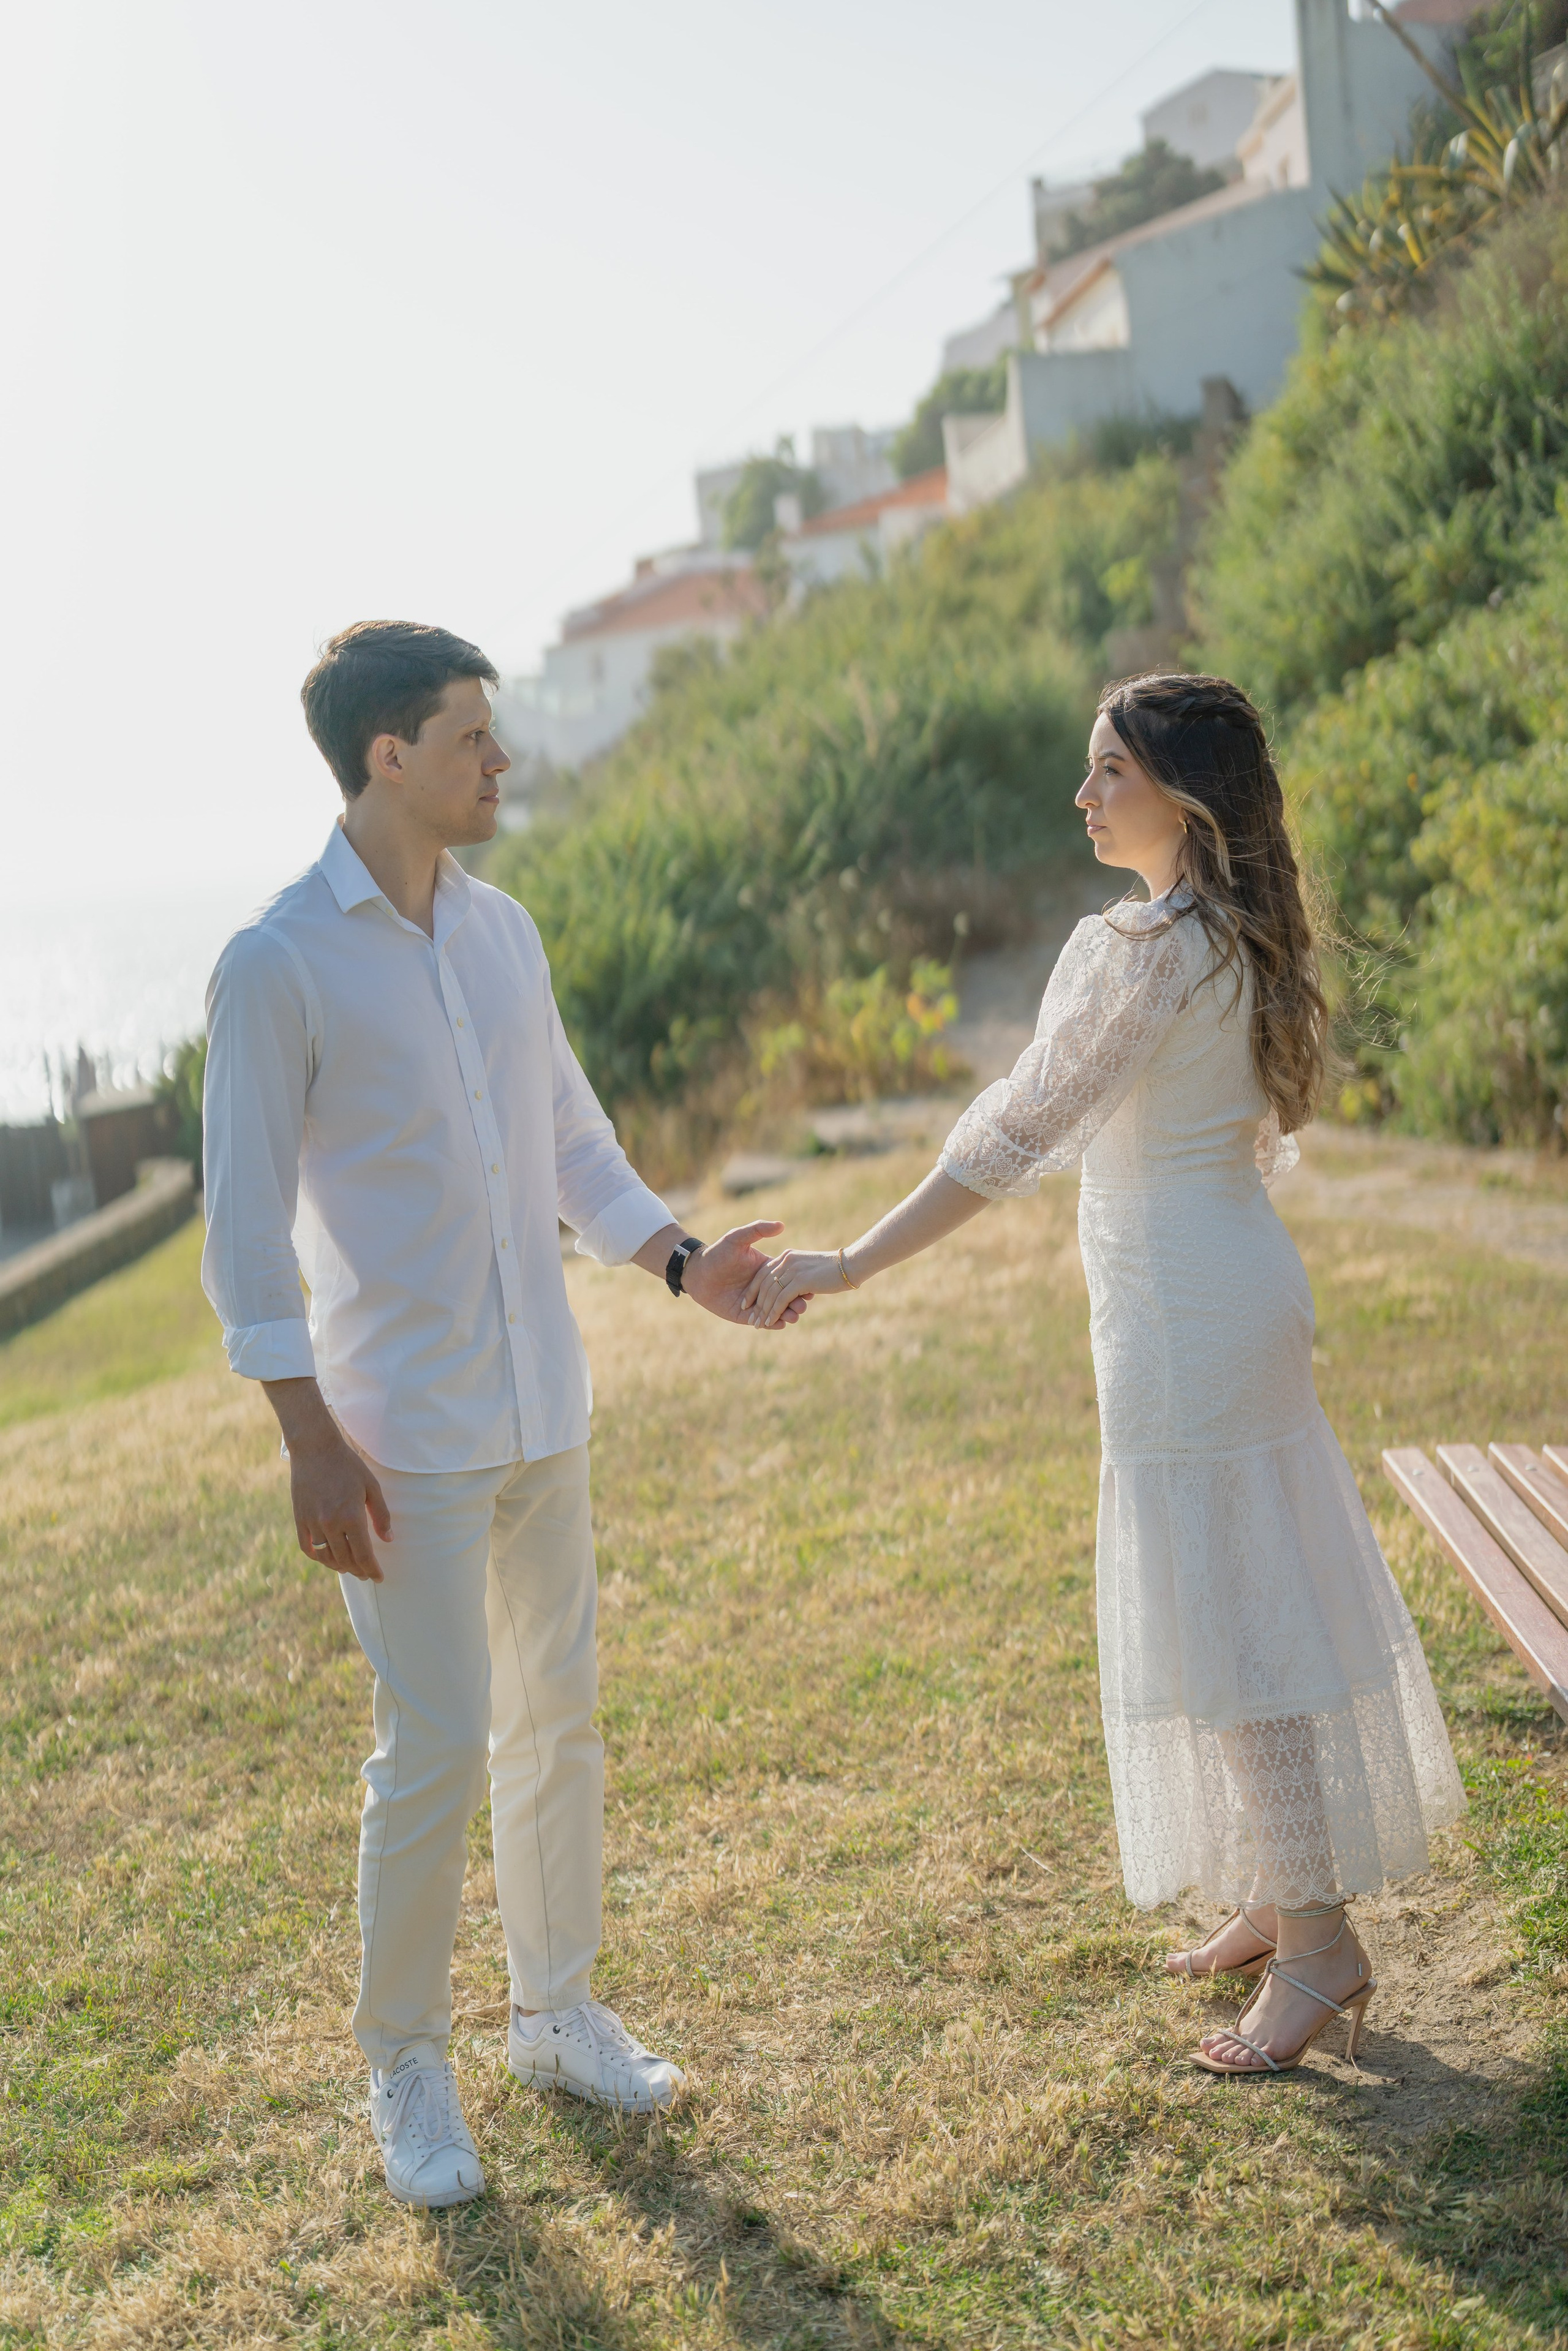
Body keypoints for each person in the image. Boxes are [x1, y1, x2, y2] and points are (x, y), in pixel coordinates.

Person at [742, 671, 1464, 2077]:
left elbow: (1016, 1130)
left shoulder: (1141, 947)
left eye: (1108, 771)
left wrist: (849, 1258)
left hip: (1190, 1319)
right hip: (1221, 1290)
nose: (1080, 796)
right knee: (1237, 1600)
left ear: (1181, 796)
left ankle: (1319, 1945)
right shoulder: (1232, 929)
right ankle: (1281, 1893)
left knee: (1232, 1621)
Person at [201, 619, 805, 2207]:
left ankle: (554, 2012)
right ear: (388, 753)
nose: (502, 759)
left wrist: (683, 1261)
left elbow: (572, 1146)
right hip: (396, 1436)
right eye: (474, 734)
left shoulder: (503, 933)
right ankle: (405, 2058)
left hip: (544, 1404)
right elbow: (244, 1234)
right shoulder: (275, 962)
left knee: (560, 1717)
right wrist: (306, 1436)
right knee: (434, 1749)